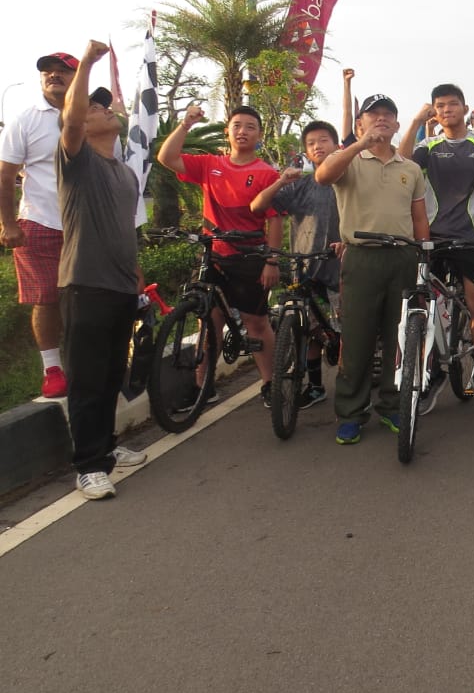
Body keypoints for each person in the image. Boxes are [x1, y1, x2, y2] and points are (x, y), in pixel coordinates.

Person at [55, 41, 147, 500]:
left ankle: (107, 449)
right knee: (87, 379)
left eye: (103, 107)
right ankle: (87, 466)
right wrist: (87, 65)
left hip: (119, 287)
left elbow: (123, 230)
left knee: (112, 375)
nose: (101, 111)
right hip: (84, 285)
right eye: (93, 108)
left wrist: (136, 274)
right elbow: (70, 120)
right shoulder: (78, 161)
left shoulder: (125, 173)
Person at [315, 93, 429, 444]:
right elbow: (323, 176)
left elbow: (419, 217)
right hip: (362, 258)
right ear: (360, 123)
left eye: (387, 115)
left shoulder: (409, 168)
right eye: (373, 115)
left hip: (403, 258)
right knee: (358, 340)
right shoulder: (347, 160)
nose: (381, 119)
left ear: (397, 125)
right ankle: (351, 412)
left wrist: (424, 258)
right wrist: (358, 144)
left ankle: (393, 406)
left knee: (399, 339)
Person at [158, 102, 282, 406]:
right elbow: (167, 157)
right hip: (212, 255)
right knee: (208, 323)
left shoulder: (266, 173)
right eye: (237, 125)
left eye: (250, 127)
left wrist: (271, 260)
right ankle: (203, 387)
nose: (242, 131)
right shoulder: (209, 164)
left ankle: (272, 384)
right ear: (227, 131)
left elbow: (275, 219)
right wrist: (186, 124)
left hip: (250, 258)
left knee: (256, 324)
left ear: (260, 135)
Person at [398, 83, 474, 417]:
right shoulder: (427, 147)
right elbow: (401, 161)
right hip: (432, 240)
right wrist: (417, 120)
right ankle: (432, 375)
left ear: (464, 107)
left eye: (453, 104)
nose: (447, 110)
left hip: (472, 238)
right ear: (435, 111)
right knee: (426, 308)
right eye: (440, 106)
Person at [249, 119, 343, 411]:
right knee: (307, 329)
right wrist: (280, 180)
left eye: (323, 140)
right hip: (303, 266)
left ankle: (350, 387)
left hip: (341, 266)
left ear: (337, 145)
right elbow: (258, 206)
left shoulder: (349, 178)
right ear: (306, 151)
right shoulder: (299, 184)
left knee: (347, 329)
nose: (318, 146)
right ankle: (315, 387)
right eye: (312, 143)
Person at [1, 50, 79, 399]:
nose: (53, 76)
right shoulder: (26, 119)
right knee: (45, 299)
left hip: (86, 226)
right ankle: (52, 369)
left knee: (90, 297)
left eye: (62, 71)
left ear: (78, 78)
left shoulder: (92, 117)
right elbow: (4, 175)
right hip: (40, 222)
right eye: (48, 71)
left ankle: (88, 361)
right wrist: (8, 224)